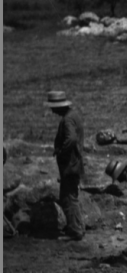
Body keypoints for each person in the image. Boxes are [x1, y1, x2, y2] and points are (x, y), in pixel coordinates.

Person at [46, 91, 86, 241]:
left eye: (53, 107)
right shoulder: (74, 115)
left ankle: (75, 230)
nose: (51, 110)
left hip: (70, 164)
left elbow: (71, 139)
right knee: (72, 196)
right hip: (75, 163)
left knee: (68, 197)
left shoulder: (67, 120)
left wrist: (61, 151)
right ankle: (78, 226)